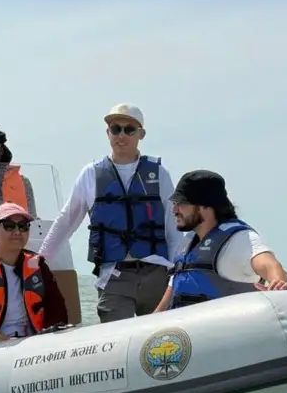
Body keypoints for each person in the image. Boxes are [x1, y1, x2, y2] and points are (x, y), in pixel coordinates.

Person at [39, 103, 182, 323]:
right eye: (116, 129)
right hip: (114, 276)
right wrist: (40, 260)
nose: (121, 135)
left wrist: (177, 271)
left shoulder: (159, 173)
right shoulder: (90, 174)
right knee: (116, 337)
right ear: (108, 133)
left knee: (159, 337)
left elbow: (174, 225)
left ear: (141, 134)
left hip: (156, 273)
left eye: (129, 129)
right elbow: (67, 220)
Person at [154, 170, 287, 311]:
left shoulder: (239, 239)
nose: (174, 210)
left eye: (181, 203)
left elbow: (269, 264)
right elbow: (171, 293)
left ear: (205, 206)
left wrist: (278, 283)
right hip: (187, 324)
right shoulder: (188, 242)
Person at [0, 203, 67, 346]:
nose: (17, 232)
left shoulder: (39, 267)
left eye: (23, 226)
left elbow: (58, 310)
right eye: (9, 226)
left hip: (34, 344)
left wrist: (45, 339)